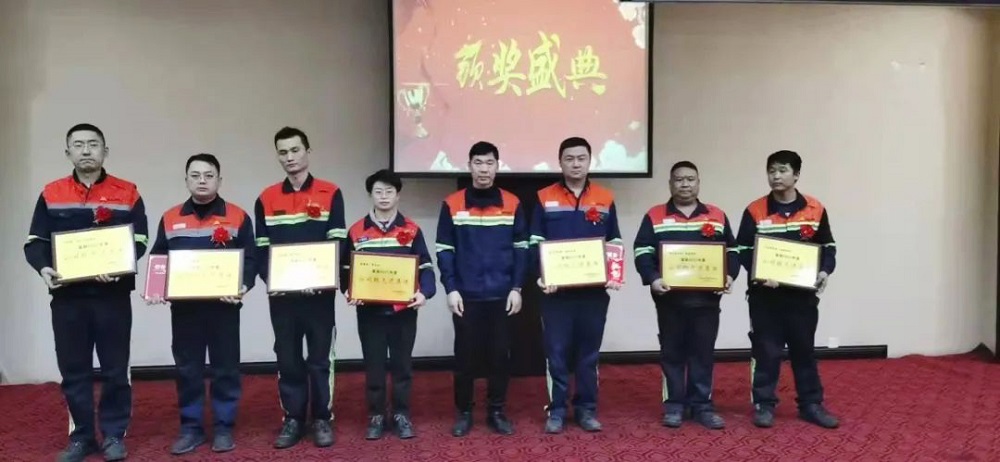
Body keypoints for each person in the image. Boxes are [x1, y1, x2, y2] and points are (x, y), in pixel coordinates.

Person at [24, 123, 148, 462]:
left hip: (112, 296)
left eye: (93, 144)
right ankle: (81, 436)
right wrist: (44, 268)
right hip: (68, 299)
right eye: (78, 145)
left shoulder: (127, 192)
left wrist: (121, 264)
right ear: (68, 153)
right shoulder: (51, 193)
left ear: (105, 151)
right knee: (73, 370)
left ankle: (113, 435)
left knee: (115, 369)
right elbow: (35, 242)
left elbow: (139, 239)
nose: (86, 150)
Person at [145, 153, 256, 454]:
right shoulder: (170, 217)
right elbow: (159, 256)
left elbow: (250, 259)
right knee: (187, 369)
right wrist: (155, 288)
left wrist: (243, 286)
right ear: (186, 180)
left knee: (226, 368)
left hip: (224, 307)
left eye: (209, 175)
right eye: (195, 175)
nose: (202, 181)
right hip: (185, 310)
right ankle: (191, 427)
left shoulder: (238, 216)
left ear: (219, 180)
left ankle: (223, 426)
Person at [254, 127, 346, 449]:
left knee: (320, 359)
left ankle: (322, 418)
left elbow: (337, 242)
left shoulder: (330, 193)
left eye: (295, 150)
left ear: (308, 151)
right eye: (283, 152)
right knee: (288, 358)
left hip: (319, 297)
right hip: (283, 298)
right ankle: (293, 418)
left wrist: (320, 279)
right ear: (277, 156)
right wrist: (272, 281)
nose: (290, 157)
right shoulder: (266, 198)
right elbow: (261, 249)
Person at [735, 150, 839, 429]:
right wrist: (759, 274)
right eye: (771, 171)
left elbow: (828, 246)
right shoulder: (755, 210)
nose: (776, 176)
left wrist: (824, 271)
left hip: (802, 297)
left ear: (796, 175)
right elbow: (742, 249)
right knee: (766, 352)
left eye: (782, 170)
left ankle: (811, 404)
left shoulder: (815, 208)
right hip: (765, 297)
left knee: (804, 351)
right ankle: (764, 404)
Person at [632, 161, 740, 430]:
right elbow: (642, 251)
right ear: (670, 184)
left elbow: (732, 251)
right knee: (672, 353)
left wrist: (729, 275)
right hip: (670, 301)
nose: (685, 184)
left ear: (698, 183)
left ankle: (702, 405)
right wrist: (653, 278)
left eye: (690, 179)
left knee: (703, 353)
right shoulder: (655, 215)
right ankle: (674, 405)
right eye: (679, 179)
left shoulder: (716, 215)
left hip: (706, 301)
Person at [528, 137, 623, 434]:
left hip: (593, 293)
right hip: (556, 294)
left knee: (588, 355)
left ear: (590, 161)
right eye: (569, 159)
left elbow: (615, 241)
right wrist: (542, 275)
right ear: (560, 162)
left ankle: (586, 409)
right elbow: (534, 241)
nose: (576, 164)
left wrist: (614, 273)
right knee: (555, 354)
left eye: (581, 158)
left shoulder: (605, 198)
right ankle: (556, 410)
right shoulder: (544, 197)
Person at [436, 141, 528, 437]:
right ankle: (464, 412)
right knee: (465, 358)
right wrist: (451, 288)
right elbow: (444, 250)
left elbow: (522, 249)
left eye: (489, 163)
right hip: (466, 295)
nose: (484, 169)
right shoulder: (452, 203)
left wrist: (517, 287)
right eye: (478, 162)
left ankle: (496, 410)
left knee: (500, 356)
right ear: (469, 166)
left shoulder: (512, 203)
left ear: (497, 167)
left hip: (503, 295)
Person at [341, 169, 436, 440]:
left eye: (389, 191)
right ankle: (376, 415)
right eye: (378, 192)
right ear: (370, 195)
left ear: (398, 195)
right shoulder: (356, 230)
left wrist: (425, 293)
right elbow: (345, 269)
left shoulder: (412, 229)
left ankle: (401, 414)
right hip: (369, 312)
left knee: (402, 366)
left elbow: (426, 266)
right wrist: (349, 291)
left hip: (403, 311)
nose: (384, 197)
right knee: (374, 366)